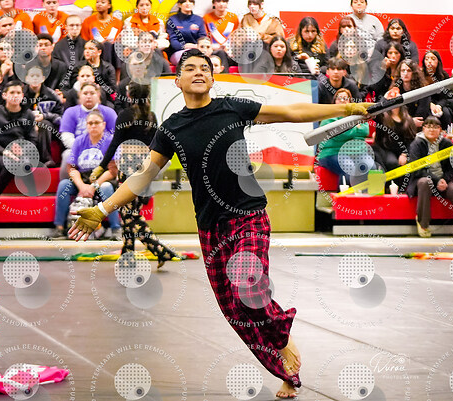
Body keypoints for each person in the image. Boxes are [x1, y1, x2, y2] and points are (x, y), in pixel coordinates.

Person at [68, 49, 371, 399]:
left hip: (249, 214)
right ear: (178, 81)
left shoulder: (231, 108)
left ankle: (281, 337)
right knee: (234, 310)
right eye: (190, 68)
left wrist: (344, 110)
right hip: (211, 227)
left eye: (205, 68)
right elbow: (143, 175)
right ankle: (285, 368)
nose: (199, 72)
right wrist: (102, 208)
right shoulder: (172, 128)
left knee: (249, 289)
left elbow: (292, 112)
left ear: (213, 79)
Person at [90, 82, 180, 265]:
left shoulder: (125, 115)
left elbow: (115, 143)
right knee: (129, 212)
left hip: (128, 166)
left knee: (129, 214)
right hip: (146, 165)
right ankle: (127, 253)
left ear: (129, 95)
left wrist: (101, 166)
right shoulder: (151, 116)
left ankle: (160, 250)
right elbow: (156, 145)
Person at [52, 110, 121, 239]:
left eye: (96, 123)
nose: (93, 126)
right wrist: (82, 186)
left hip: (103, 179)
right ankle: (59, 228)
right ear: (86, 125)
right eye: (90, 123)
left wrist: (93, 187)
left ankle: (116, 228)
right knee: (64, 185)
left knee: (106, 188)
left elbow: (113, 170)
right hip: (83, 178)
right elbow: (71, 168)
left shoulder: (110, 141)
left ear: (104, 125)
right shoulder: (79, 141)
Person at [407, 116, 453, 239]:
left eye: (435, 127)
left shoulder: (446, 144)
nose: (431, 130)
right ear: (423, 128)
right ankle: (423, 224)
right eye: (428, 126)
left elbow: (452, 168)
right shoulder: (416, 144)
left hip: (443, 179)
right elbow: (417, 169)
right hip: (423, 178)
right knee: (425, 182)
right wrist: (436, 180)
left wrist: (444, 180)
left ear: (440, 130)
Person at [0, 80, 36, 196]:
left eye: (18, 93)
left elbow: (33, 139)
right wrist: (5, 152)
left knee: (23, 162)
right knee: (12, 163)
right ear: (4, 95)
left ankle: (33, 196)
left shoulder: (28, 114)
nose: (15, 95)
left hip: (20, 154)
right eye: (12, 92)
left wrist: (23, 150)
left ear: (22, 96)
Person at [59, 82, 117, 179]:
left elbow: (116, 136)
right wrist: (81, 148)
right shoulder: (70, 112)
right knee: (67, 155)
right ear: (79, 95)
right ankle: (67, 184)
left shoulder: (109, 112)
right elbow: (66, 136)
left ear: (98, 95)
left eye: (92, 93)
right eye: (85, 93)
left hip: (104, 149)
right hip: (77, 149)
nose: (88, 96)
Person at [316, 88, 371, 186]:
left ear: (350, 101)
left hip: (355, 153)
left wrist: (348, 130)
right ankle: (343, 195)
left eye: (345, 98)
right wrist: (356, 128)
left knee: (370, 166)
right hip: (331, 154)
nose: (342, 100)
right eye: (339, 98)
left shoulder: (357, 115)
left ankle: (362, 194)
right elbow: (340, 135)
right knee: (349, 168)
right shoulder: (328, 117)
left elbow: (365, 131)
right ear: (334, 101)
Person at [22, 65, 63, 167]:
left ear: (43, 78)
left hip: (48, 127)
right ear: (26, 78)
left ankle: (46, 159)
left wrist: (44, 116)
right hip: (24, 124)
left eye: (38, 76)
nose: (35, 78)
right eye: (32, 76)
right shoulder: (20, 93)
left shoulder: (52, 95)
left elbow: (60, 117)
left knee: (44, 124)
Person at [373, 88, 416, 184]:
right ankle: (392, 187)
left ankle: (403, 188)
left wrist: (404, 154)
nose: (394, 103)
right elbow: (375, 110)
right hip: (384, 148)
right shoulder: (382, 116)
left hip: (402, 150)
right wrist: (385, 97)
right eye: (391, 100)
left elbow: (411, 139)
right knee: (392, 163)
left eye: (396, 100)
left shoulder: (408, 119)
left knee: (411, 164)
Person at [421, 50, 453, 130]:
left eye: (433, 59)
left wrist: (439, 106)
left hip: (440, 103)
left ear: (438, 62)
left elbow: (447, 96)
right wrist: (430, 104)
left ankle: (447, 133)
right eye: (427, 59)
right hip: (424, 103)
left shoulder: (444, 75)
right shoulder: (419, 75)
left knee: (446, 112)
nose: (429, 61)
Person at [390, 59, 429, 128]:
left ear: (414, 73)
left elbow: (421, 116)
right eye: (403, 70)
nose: (405, 73)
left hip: (419, 125)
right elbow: (393, 114)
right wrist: (410, 121)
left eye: (409, 71)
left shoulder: (423, 90)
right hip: (401, 124)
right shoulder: (395, 89)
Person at [166, 0, 207, 65]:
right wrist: (184, 46)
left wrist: (196, 46)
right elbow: (173, 41)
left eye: (190, 1)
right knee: (191, 59)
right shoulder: (172, 20)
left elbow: (203, 38)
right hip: (179, 51)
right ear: (179, 5)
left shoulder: (199, 19)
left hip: (197, 49)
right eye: (184, 1)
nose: (188, 4)